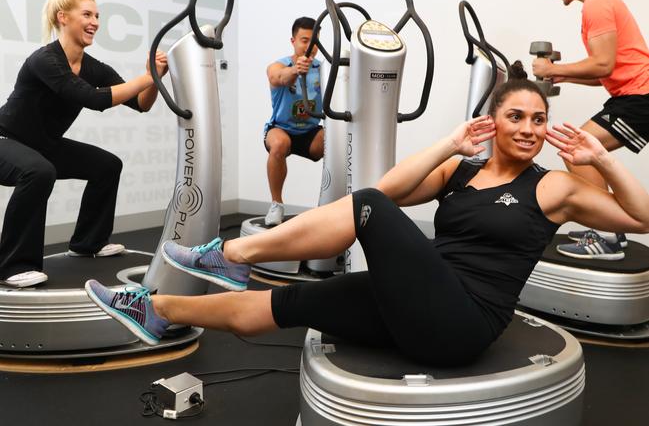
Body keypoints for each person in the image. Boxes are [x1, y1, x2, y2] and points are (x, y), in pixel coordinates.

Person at [85, 64, 649, 365]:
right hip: (421, 300)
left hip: (464, 323)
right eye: (517, 116)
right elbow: (389, 189)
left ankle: (230, 255)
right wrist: (448, 145)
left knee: (368, 210)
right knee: (289, 302)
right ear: (494, 122)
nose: (529, 128)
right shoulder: (458, 172)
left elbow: (642, 218)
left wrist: (602, 159)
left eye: (539, 119)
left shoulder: (553, 188)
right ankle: (157, 310)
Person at [0, 0, 168, 288]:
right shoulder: (45, 60)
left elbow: (140, 104)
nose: (95, 22)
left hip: (42, 144)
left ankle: (88, 243)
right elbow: (93, 99)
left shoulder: (93, 67)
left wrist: (152, 79)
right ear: (63, 17)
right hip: (5, 140)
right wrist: (146, 77)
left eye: (98, 15)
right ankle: (13, 266)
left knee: (106, 165)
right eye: (87, 14)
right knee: (39, 171)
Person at [533, 0, 649, 260]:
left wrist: (552, 68)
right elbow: (604, 73)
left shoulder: (597, 2)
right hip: (631, 96)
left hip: (640, 98)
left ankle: (609, 235)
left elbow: (603, 64)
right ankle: (611, 232)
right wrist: (564, 76)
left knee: (576, 149)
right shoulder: (598, 2)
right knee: (578, 149)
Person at [263, 17, 324, 226]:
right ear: (293, 41)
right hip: (281, 129)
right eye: (304, 40)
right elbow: (278, 78)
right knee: (280, 145)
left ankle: (331, 204)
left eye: (314, 41)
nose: (310, 46)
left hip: (311, 132)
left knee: (338, 141)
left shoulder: (323, 69)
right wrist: (295, 71)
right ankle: (276, 204)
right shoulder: (279, 65)